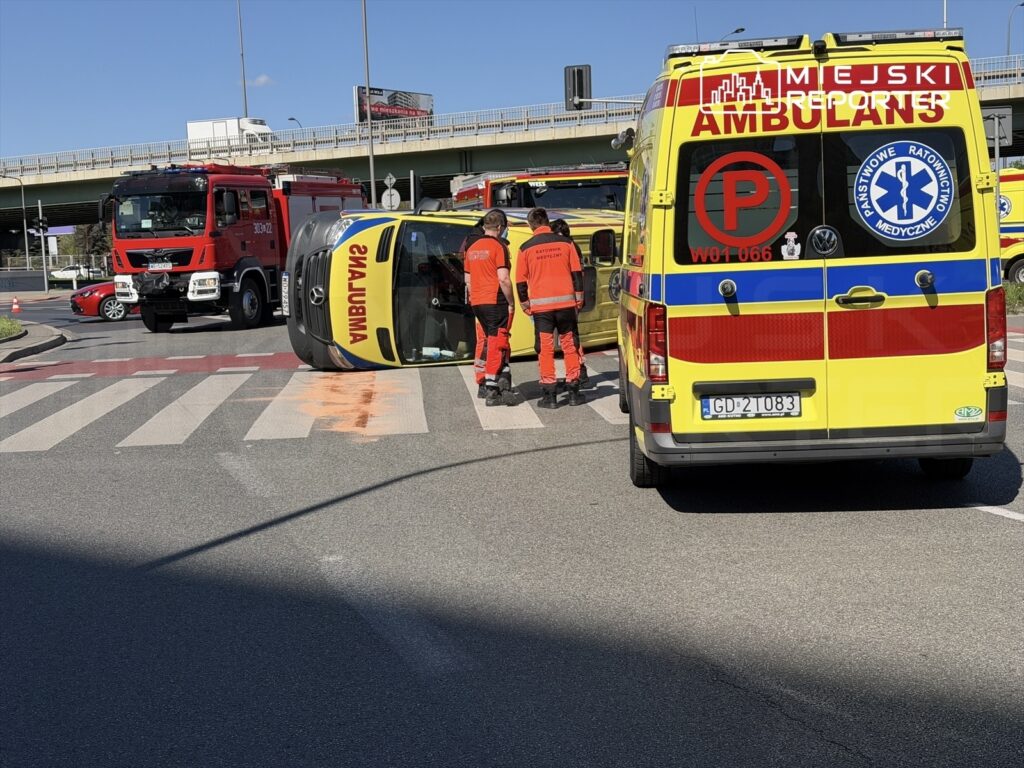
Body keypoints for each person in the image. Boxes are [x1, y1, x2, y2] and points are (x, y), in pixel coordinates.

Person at [515, 207, 585, 408]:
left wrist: (525, 305)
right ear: (547, 221)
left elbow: (520, 281)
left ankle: (550, 394)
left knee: (545, 349)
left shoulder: (525, 248)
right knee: (569, 345)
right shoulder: (566, 243)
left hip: (541, 309)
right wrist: (578, 300)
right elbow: (577, 274)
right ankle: (573, 389)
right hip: (566, 305)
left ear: (531, 225)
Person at [463, 208, 516, 407]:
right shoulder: (498, 247)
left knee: (487, 341)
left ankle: (496, 377)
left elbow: (467, 280)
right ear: (500, 227)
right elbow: (503, 278)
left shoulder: (472, 247)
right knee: (498, 342)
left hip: (477, 302)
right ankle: (493, 385)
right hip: (495, 301)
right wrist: (511, 302)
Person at [548, 218, 589, 388]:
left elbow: (577, 275)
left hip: (567, 298)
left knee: (570, 336)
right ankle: (577, 371)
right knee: (569, 336)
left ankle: (579, 371)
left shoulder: (569, 247)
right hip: (566, 298)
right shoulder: (571, 246)